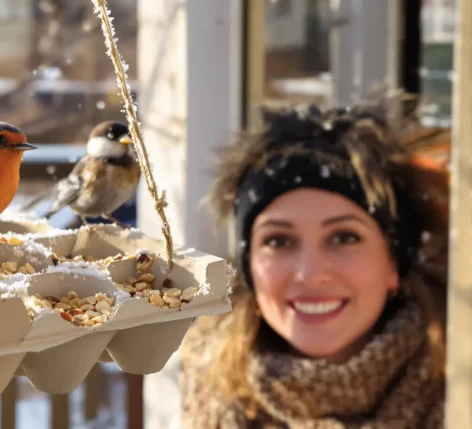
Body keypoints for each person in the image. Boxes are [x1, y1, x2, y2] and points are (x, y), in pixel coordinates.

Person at [179, 92, 450, 428]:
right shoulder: (210, 387)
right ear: (250, 268)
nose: (309, 273)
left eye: (344, 238)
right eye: (278, 241)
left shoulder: (459, 388)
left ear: (394, 262)